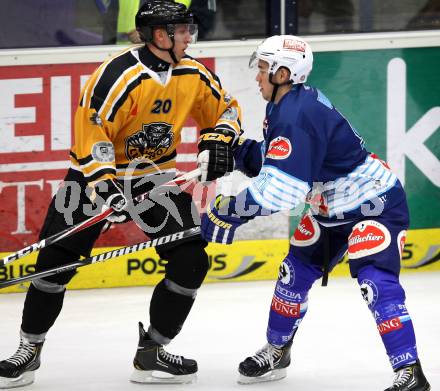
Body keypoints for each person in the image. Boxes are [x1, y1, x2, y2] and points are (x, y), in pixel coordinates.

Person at [0, 0, 241, 387]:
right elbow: (91, 132)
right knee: (54, 262)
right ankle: (29, 350)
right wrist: (106, 187)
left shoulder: (194, 73)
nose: (188, 36)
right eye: (181, 31)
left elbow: (226, 110)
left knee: (191, 259)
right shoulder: (117, 74)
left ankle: (153, 352)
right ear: (160, 36)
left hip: (155, 179)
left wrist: (217, 141)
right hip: (95, 178)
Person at [200, 35, 431, 390]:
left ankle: (410, 372)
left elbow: (283, 189)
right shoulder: (284, 104)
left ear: (282, 73)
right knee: (293, 275)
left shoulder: (295, 112)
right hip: (329, 207)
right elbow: (281, 158)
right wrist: (234, 155)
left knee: (375, 281)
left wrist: (230, 211)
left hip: (375, 205)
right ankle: (278, 351)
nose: (257, 77)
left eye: (263, 69)